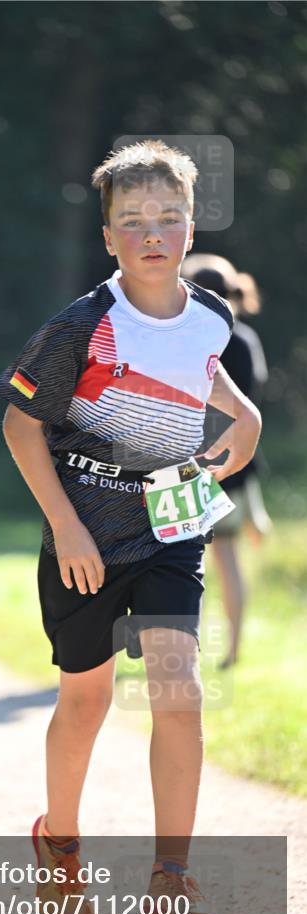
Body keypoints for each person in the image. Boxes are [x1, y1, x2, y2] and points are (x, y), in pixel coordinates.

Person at [0, 140, 261, 914]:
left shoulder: (212, 314)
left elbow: (197, 365)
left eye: (168, 218)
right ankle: (60, 848)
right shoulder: (80, 326)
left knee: (179, 689)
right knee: (86, 700)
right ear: (108, 236)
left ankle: (169, 879)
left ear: (190, 228)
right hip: (84, 530)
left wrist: (243, 413)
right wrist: (65, 526)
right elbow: (18, 426)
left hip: (171, 522)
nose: (152, 233)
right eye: (133, 220)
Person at [180, 254, 272, 670]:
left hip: (187, 467)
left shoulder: (189, 338)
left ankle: (185, 652)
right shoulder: (247, 340)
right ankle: (233, 650)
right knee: (229, 561)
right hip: (235, 464)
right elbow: (251, 407)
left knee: (184, 565)